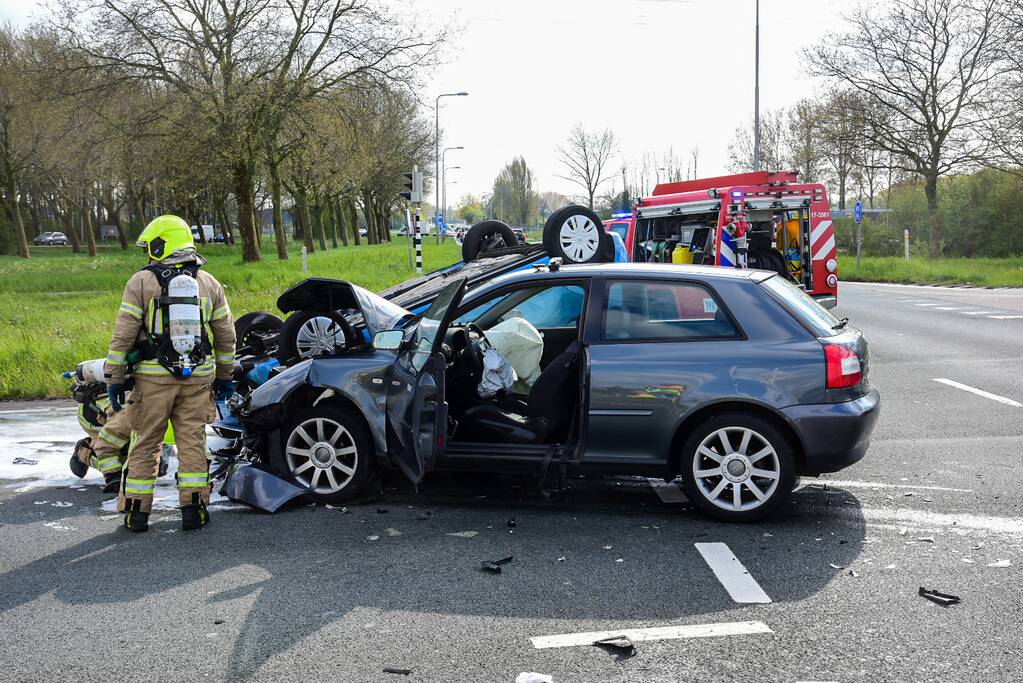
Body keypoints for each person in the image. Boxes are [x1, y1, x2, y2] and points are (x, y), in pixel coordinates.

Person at [104, 215, 236, 533]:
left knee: (146, 442)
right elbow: (225, 334)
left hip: (152, 379)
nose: (148, 255)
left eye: (151, 248)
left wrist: (114, 377)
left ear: (163, 245)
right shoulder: (209, 282)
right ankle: (194, 509)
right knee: (192, 441)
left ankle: (136, 514)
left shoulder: (141, 281)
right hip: (198, 378)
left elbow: (123, 335)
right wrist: (225, 375)